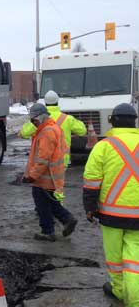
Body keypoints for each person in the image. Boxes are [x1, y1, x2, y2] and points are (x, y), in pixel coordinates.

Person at [83, 103, 139, 305]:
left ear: (112, 121)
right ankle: (135, 299)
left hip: (111, 216)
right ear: (134, 121)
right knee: (134, 261)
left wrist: (90, 209)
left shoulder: (104, 146)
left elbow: (91, 181)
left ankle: (120, 291)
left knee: (115, 261)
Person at [23, 103, 78, 241]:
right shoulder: (51, 128)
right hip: (50, 176)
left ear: (41, 117)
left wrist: (32, 176)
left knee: (42, 205)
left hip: (44, 177)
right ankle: (66, 220)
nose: (33, 123)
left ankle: (49, 230)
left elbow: (43, 158)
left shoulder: (47, 132)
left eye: (34, 120)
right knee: (50, 203)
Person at [20, 90, 87, 167]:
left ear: (45, 102)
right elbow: (83, 131)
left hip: (44, 160)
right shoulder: (67, 119)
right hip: (62, 161)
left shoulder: (38, 119)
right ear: (57, 101)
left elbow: (24, 133)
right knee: (58, 178)